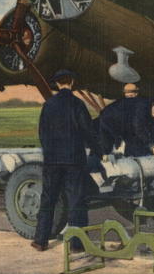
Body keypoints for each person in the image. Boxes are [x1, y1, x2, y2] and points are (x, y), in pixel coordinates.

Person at [31, 69, 105, 252]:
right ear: (72, 82)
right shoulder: (78, 104)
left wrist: (49, 152)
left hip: (52, 161)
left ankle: (40, 241)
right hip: (74, 160)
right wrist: (98, 150)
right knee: (76, 201)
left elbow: (42, 133)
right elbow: (88, 131)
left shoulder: (48, 105)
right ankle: (77, 244)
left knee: (48, 200)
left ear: (57, 84)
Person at [98, 83, 154, 159]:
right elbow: (139, 130)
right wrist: (153, 147)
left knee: (140, 146)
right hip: (109, 119)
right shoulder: (142, 108)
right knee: (107, 150)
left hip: (127, 121)